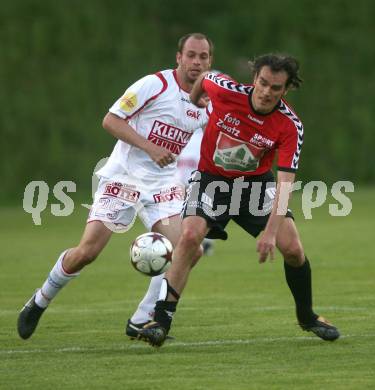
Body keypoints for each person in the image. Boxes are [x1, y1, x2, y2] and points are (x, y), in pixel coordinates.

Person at [17, 32, 213, 340]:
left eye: (203, 56)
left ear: (209, 61)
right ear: (179, 57)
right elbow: (110, 120)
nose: (196, 62)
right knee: (88, 251)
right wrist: (150, 147)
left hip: (162, 185)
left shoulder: (207, 103)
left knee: (190, 250)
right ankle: (39, 300)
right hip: (123, 178)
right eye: (191, 55)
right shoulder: (155, 85)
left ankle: (142, 319)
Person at [137, 54, 341, 347]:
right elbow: (204, 79)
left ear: (286, 90)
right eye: (264, 83)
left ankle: (307, 316)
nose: (267, 92)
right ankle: (161, 320)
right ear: (254, 78)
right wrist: (196, 102)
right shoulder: (226, 90)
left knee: (294, 250)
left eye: (276, 88)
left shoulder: (290, 125)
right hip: (210, 179)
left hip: (255, 186)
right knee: (190, 236)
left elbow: (284, 185)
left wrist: (270, 233)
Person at [174, 128, 215, 256]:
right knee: (187, 209)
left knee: (200, 209)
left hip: (196, 176)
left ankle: (206, 241)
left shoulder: (203, 134)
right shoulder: (183, 132)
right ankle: (187, 239)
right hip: (183, 177)